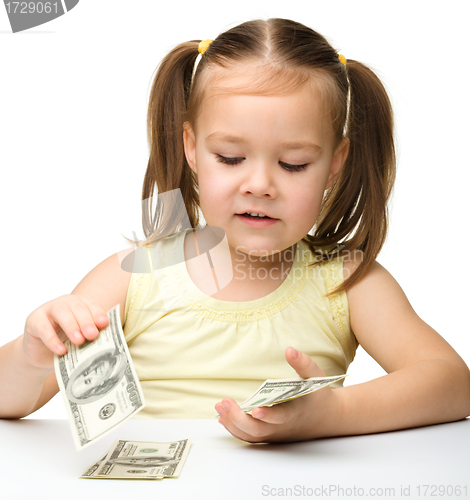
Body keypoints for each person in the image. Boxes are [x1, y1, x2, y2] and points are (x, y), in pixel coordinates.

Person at [0, 18, 469, 445]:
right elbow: (11, 400)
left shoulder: (348, 282)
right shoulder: (135, 276)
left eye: (294, 164)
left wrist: (333, 414)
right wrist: (30, 355)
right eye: (230, 157)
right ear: (192, 149)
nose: (260, 185)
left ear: (335, 164)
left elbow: (452, 384)